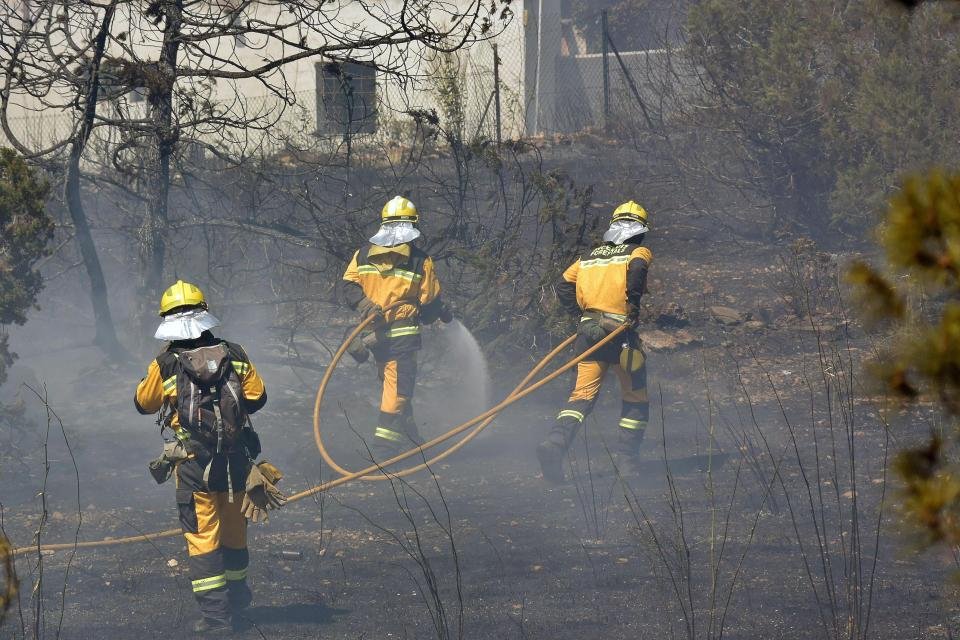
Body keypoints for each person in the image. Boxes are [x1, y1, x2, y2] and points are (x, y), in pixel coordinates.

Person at [135, 280, 274, 632]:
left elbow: (143, 403)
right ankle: (238, 604)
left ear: (166, 320)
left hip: (195, 467)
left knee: (202, 538)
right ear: (205, 311)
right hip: (237, 464)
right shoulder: (235, 353)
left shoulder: (165, 364)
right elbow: (257, 398)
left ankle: (216, 617)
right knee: (233, 534)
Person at [537, 201, 653, 483]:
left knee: (581, 396)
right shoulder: (638, 251)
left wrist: (581, 315)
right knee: (635, 395)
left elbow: (564, 284)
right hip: (620, 333)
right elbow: (637, 270)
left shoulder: (586, 257)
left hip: (588, 333)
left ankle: (555, 444)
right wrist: (633, 305)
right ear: (639, 231)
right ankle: (628, 462)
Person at [341, 195, 453, 460]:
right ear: (411, 227)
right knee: (399, 392)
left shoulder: (363, 254)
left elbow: (348, 288)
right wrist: (442, 314)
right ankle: (383, 452)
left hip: (375, 336)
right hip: (402, 336)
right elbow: (429, 304)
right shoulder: (420, 260)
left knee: (394, 388)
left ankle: (414, 445)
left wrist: (366, 305)